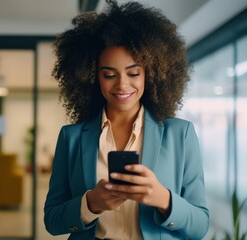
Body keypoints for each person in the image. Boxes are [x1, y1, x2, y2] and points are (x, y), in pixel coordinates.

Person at [44, 1, 209, 239]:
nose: (122, 85)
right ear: (92, 76)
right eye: (109, 74)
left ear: (150, 73)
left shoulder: (179, 134)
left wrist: (162, 198)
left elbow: (200, 225)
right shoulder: (71, 137)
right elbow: (52, 220)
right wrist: (91, 203)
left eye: (133, 73)